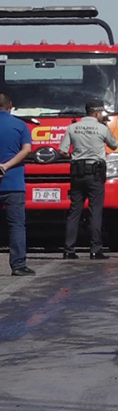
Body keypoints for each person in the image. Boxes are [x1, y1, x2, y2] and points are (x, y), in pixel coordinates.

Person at [59, 100, 118, 260]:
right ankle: (95, 249)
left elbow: (62, 151)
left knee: (74, 212)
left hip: (77, 173)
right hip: (95, 174)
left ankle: (69, 249)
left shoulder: (72, 128)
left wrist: (75, 156)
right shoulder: (101, 128)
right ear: (97, 113)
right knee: (95, 211)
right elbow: (115, 145)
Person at [0, 92, 34, 276]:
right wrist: (6, 166)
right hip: (13, 183)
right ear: (10, 105)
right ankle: (18, 265)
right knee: (16, 226)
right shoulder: (20, 125)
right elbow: (27, 149)